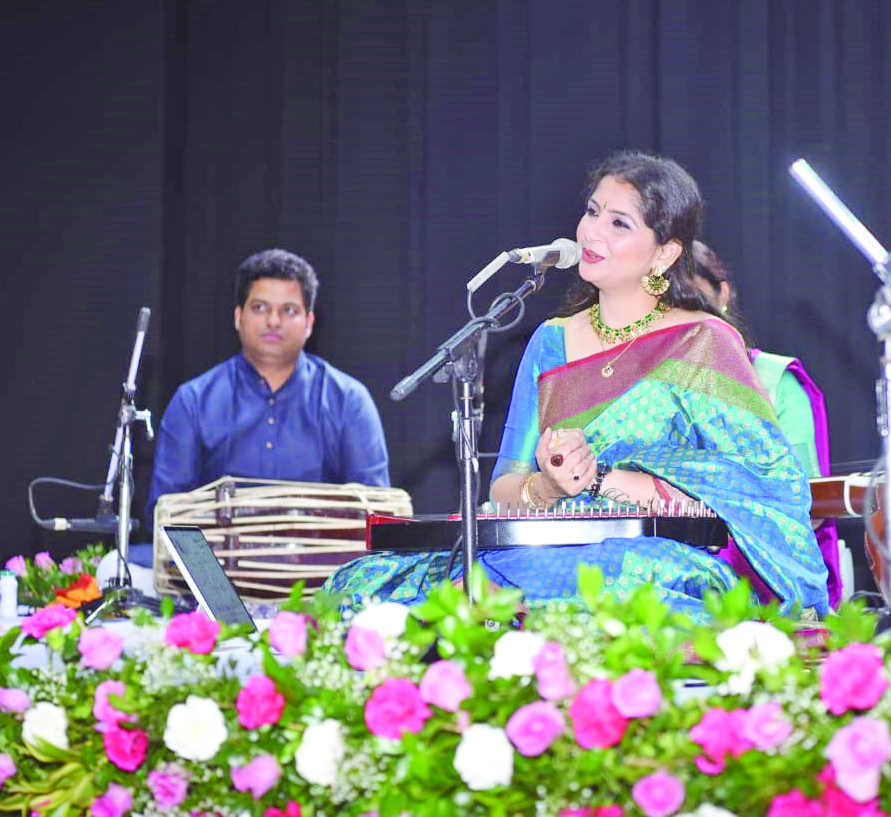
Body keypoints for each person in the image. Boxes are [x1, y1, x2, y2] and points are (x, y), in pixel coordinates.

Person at [325, 151, 829, 619]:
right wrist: (546, 485)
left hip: (649, 554)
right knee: (362, 583)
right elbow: (504, 488)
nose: (592, 232)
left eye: (619, 223)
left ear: (664, 253)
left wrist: (631, 483)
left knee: (568, 584)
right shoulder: (550, 341)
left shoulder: (703, 340)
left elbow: (768, 484)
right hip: (542, 541)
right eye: (592, 212)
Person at [146, 249, 391, 522]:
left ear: (309, 323)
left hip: (323, 563)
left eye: (289, 310)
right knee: (113, 564)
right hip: (215, 560)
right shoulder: (193, 401)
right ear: (238, 317)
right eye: (260, 307)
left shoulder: (348, 400)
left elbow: (377, 509)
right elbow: (166, 510)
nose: (274, 321)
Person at [690, 239, 841, 609]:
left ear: (723, 294)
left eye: (694, 299)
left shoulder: (773, 382)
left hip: (761, 580)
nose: (684, 317)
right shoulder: (640, 384)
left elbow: (812, 504)